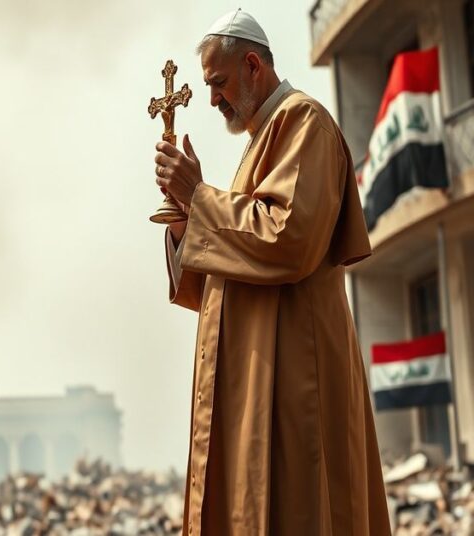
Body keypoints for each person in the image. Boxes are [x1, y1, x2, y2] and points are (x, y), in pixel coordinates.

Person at [153, 9, 391, 535]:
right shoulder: (257, 145)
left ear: (253, 65)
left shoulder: (302, 121)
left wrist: (199, 198)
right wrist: (183, 221)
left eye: (217, 82)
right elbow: (231, 264)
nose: (211, 98)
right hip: (254, 376)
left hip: (293, 377)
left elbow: (288, 240)